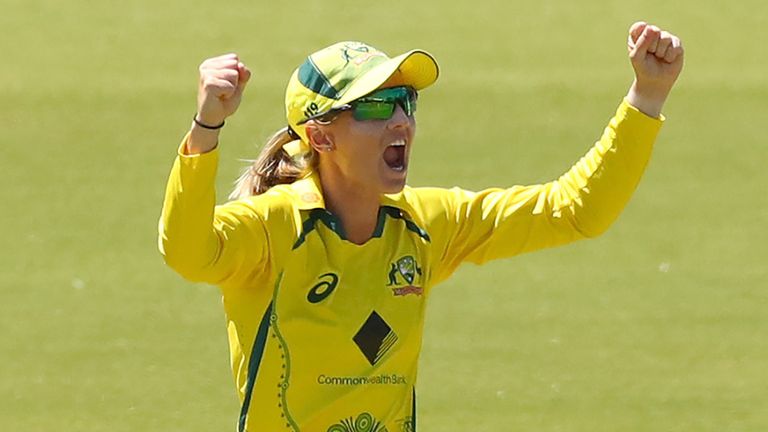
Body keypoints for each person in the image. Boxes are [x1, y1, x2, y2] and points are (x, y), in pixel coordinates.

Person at [158, 21, 683, 432]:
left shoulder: (425, 224)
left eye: (407, 102)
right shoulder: (272, 229)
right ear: (321, 137)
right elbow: (187, 251)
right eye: (378, 105)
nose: (402, 121)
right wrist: (206, 131)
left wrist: (647, 97)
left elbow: (573, 211)